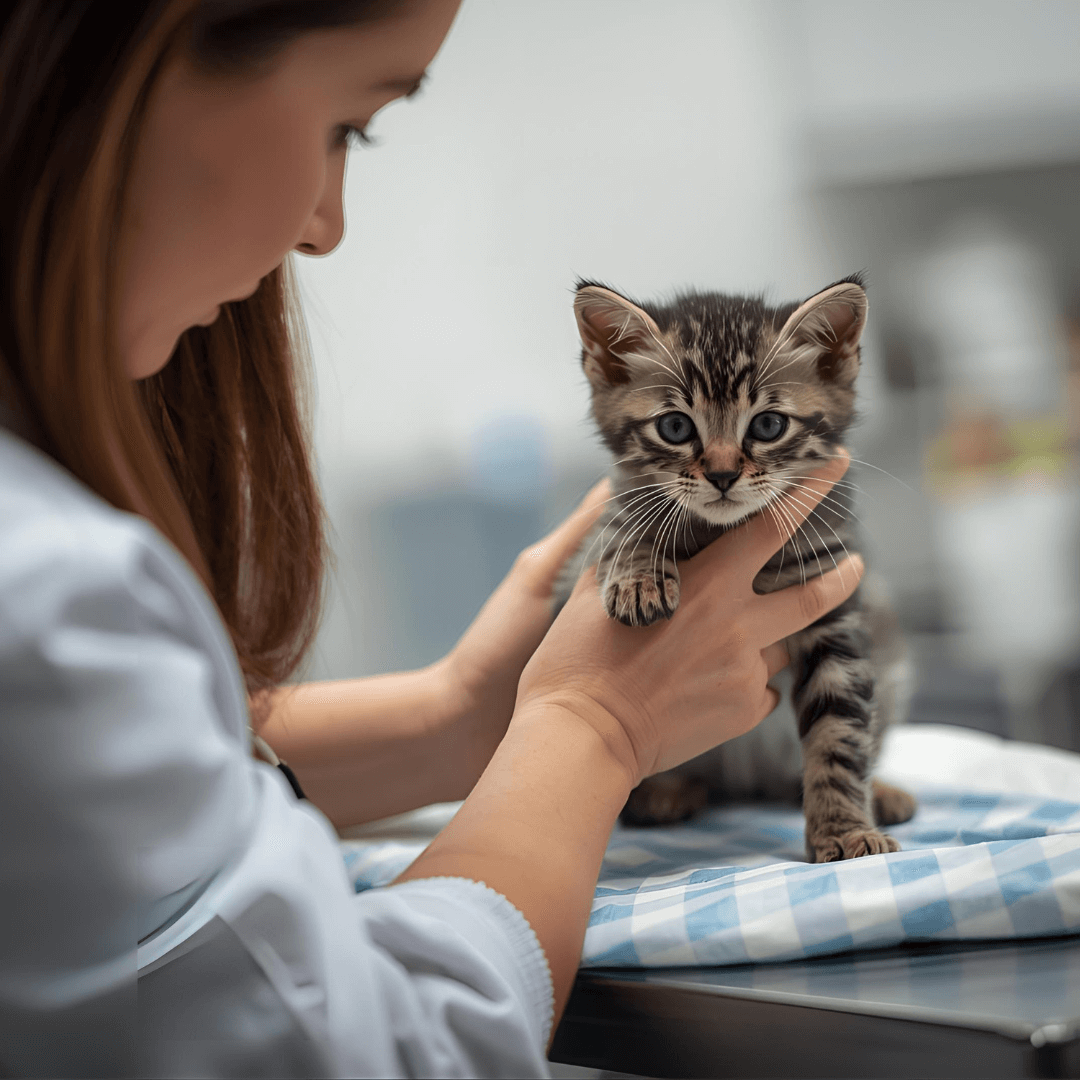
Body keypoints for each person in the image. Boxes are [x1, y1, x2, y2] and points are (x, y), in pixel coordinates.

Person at [0, 1, 863, 1076]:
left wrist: (462, 719)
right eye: (347, 127)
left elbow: (130, 806)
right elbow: (383, 1055)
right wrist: (591, 727)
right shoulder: (41, 590)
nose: (326, 226)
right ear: (119, 67)